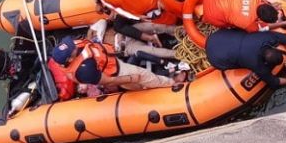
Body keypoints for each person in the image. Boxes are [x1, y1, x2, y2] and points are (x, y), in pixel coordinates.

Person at [51, 35, 186, 91]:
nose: (74, 45)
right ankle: (172, 84)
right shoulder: (84, 70)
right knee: (144, 76)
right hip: (117, 72)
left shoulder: (73, 51)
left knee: (139, 70)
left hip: (112, 60)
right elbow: (108, 81)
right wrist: (128, 78)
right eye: (71, 48)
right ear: (70, 59)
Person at [205, 29, 286, 93]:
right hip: (215, 58)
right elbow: (274, 82)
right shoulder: (258, 65)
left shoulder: (264, 37)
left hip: (217, 36)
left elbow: (285, 39)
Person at [201, 0, 286, 33]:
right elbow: (263, 28)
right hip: (212, 16)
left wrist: (272, 7)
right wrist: (284, 23)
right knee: (233, 26)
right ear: (260, 20)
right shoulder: (248, 23)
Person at [87, 19, 179, 61]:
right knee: (153, 52)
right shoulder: (93, 53)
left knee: (153, 26)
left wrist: (95, 37)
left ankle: (182, 30)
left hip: (127, 32)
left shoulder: (91, 33)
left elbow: (102, 22)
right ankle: (180, 55)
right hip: (126, 47)